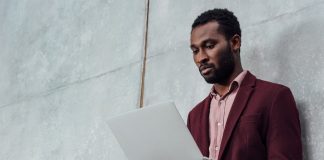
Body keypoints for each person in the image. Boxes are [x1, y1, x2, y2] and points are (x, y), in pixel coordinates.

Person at [187, 8, 302, 160]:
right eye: (195, 50)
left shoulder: (274, 97)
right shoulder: (194, 116)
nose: (201, 58)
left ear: (235, 43)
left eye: (209, 46)